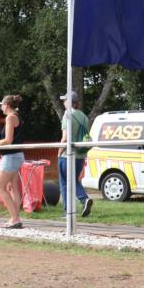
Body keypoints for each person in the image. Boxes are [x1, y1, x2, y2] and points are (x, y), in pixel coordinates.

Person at [0, 95, 24, 229]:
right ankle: (15, 217)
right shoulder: (17, 116)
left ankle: (15, 218)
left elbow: (8, 140)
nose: (1, 107)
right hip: (17, 155)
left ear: (6, 105)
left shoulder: (10, 117)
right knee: (13, 187)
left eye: (1, 104)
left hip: (11, 156)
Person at [58, 90, 93, 218]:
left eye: (64, 100)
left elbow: (65, 138)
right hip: (80, 154)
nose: (63, 102)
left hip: (67, 155)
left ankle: (69, 211)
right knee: (73, 181)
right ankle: (84, 200)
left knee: (64, 182)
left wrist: (59, 152)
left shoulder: (67, 115)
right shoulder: (83, 116)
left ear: (69, 102)